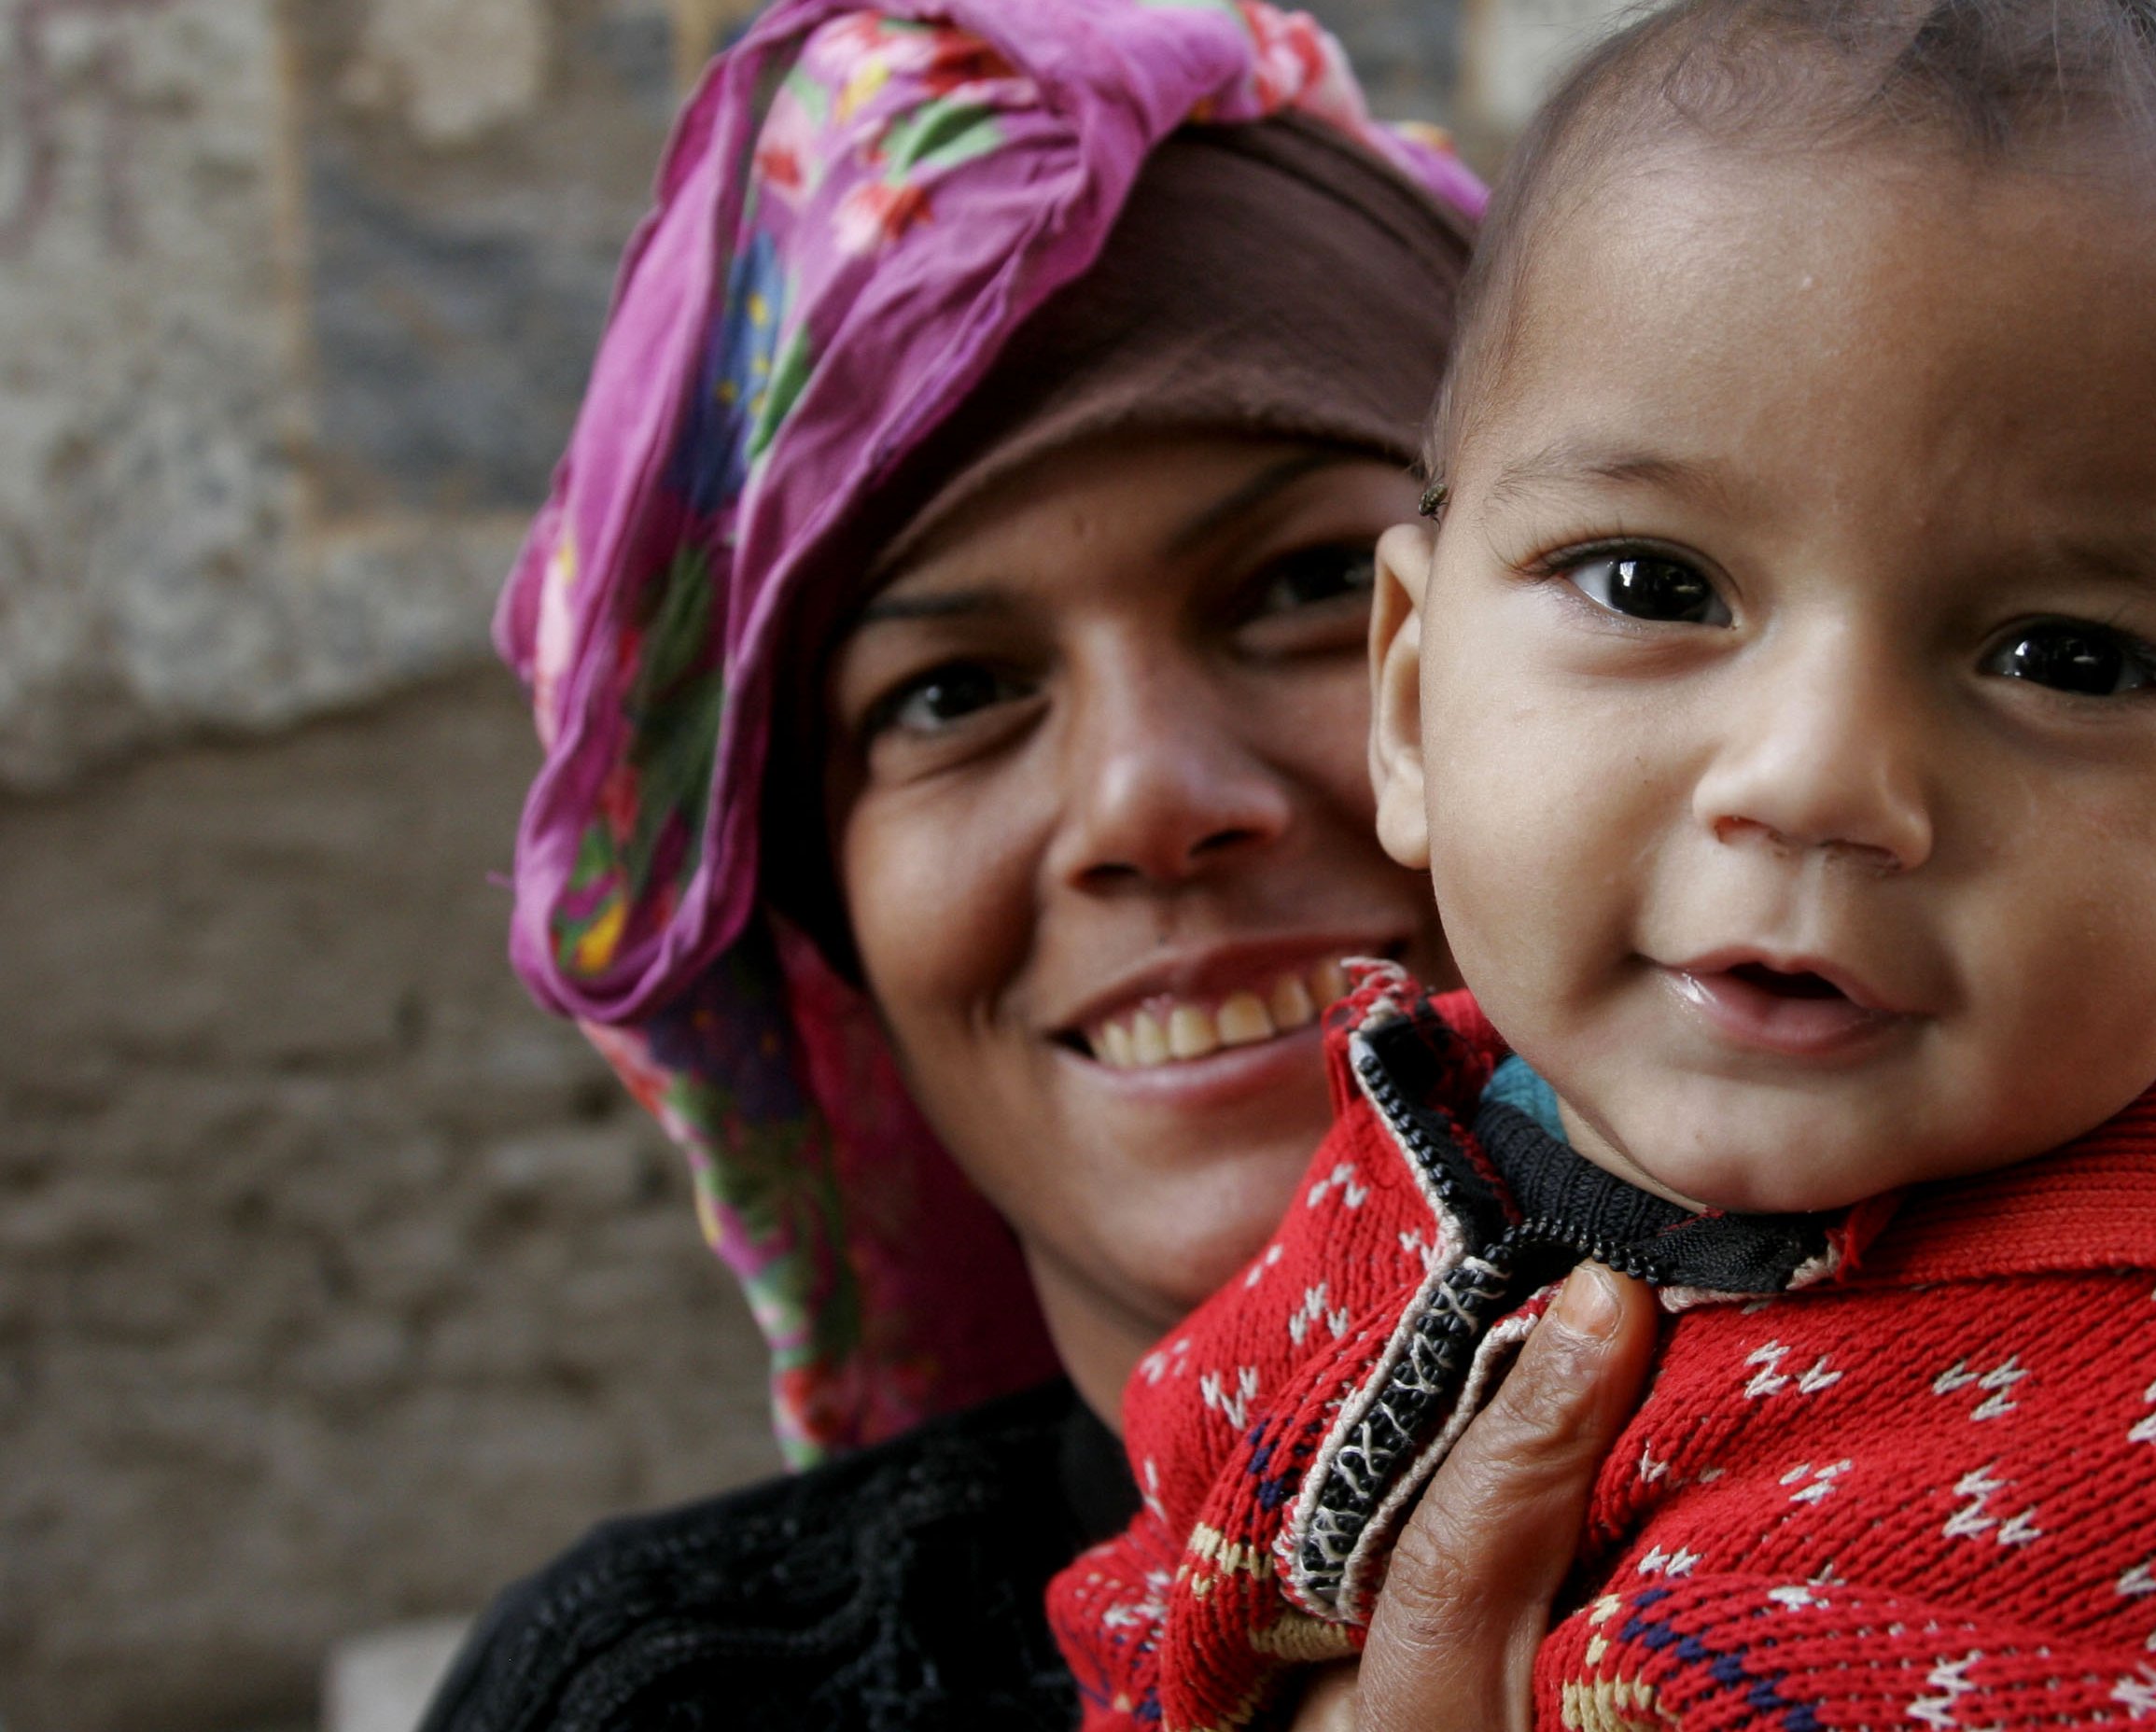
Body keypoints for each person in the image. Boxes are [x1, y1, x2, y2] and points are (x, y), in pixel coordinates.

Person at [1055, 1, 2156, 1726]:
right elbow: (1142, 1627)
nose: (1817, 778)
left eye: (2067, 661)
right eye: (1652, 585)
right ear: (1411, 704)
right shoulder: (1368, 1201)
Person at [420, 4, 1659, 1728]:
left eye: (1309, 590)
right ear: (830, 921)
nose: (1148, 801)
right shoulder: (660, 1700)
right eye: (952, 694)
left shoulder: (2052, 1561)